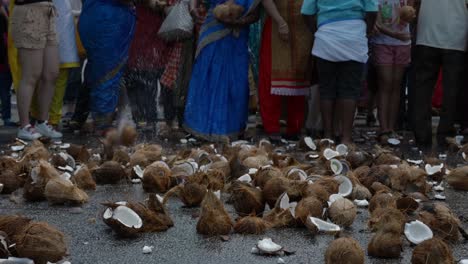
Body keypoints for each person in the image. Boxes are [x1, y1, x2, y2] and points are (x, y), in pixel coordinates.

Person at [301, 0, 378, 144]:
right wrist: (368, 30)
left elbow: (306, 12)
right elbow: (372, 10)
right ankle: (346, 137)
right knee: (350, 89)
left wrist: (316, 30)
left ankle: (328, 136)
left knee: (327, 89)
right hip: (354, 35)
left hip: (326, 36)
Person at [183, 0, 260, 142]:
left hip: (237, 38)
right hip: (213, 33)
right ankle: (201, 129)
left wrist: (238, 22)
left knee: (235, 83)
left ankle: (229, 129)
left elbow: (256, 14)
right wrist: (193, 10)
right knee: (207, 78)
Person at [409, 0, 467, 149]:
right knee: (451, 91)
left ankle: (422, 136)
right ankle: (445, 136)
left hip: (427, 34)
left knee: (422, 89)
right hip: (456, 36)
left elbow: (412, 4)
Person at [78, 0, 136, 133]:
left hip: (98, 18)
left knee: (101, 72)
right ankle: (102, 124)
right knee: (107, 74)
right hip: (107, 22)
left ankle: (97, 119)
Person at [259, 0, 313, 141]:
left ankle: (294, 127)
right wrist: (280, 22)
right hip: (277, 27)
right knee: (271, 77)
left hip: (303, 29)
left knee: (298, 78)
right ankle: (272, 128)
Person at [9, 0, 61, 140]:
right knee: (31, 74)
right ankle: (24, 126)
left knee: (51, 73)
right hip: (28, 11)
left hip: (48, 11)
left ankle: (42, 122)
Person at [371, 0, 414, 142]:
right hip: (382, 42)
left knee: (396, 86)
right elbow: (375, 22)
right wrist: (395, 35)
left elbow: (411, 11)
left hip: (403, 43)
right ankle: (383, 128)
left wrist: (409, 13)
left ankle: (391, 128)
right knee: (385, 83)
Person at [0, 1, 14, 127]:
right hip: (4, 60)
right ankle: (6, 117)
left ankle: (7, 117)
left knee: (5, 90)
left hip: (6, 59)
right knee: (5, 90)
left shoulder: (6, 9)